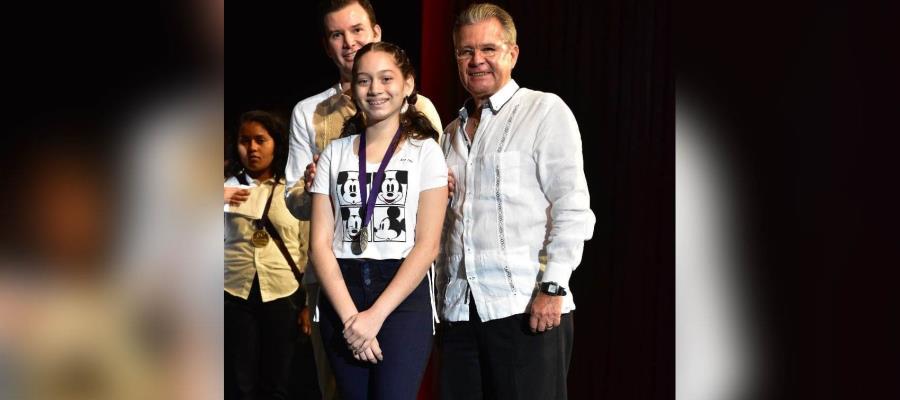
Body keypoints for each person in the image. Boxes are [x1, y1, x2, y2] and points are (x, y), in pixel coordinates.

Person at [436, 4, 596, 400]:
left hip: (526, 308)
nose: (476, 61)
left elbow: (572, 207)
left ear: (513, 53)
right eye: (465, 51)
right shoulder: (449, 133)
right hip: (458, 313)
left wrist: (553, 287)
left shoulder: (544, 111)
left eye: (488, 49)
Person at [284, 2, 443, 397]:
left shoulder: (422, 122)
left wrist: (375, 316)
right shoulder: (314, 118)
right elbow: (299, 207)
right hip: (338, 282)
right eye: (337, 35)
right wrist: (315, 185)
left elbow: (431, 227)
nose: (348, 42)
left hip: (402, 282)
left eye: (356, 30)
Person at [224, 111, 309, 399]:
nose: (252, 148)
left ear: (277, 143)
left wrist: (309, 302)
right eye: (244, 140)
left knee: (279, 382)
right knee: (239, 382)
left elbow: (307, 246)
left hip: (283, 293)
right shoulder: (224, 186)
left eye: (261, 140)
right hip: (233, 292)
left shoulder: (293, 190)